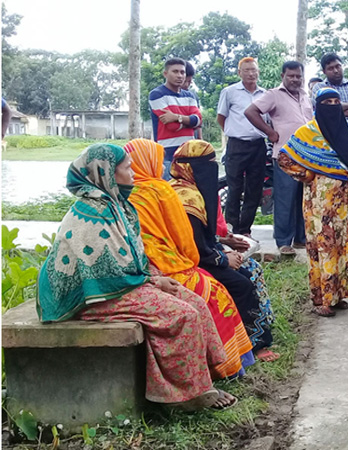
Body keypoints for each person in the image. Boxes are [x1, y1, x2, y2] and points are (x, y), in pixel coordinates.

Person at [37, 143, 232, 411]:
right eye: (126, 169)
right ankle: (184, 397)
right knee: (181, 314)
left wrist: (155, 278)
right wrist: (152, 282)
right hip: (92, 298)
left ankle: (202, 377)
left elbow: (133, 259)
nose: (132, 174)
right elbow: (101, 275)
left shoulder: (117, 206)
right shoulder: (89, 214)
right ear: (106, 173)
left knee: (194, 301)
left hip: (120, 286)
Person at [125, 138, 255, 380]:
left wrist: (220, 249)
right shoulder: (162, 192)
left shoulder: (135, 193)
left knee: (233, 280)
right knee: (214, 292)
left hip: (155, 263)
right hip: (165, 264)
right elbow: (185, 242)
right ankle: (222, 364)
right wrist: (219, 259)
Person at [169, 140, 279, 362]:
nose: (212, 168)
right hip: (187, 261)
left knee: (248, 270)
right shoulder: (185, 198)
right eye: (207, 163)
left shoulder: (190, 190)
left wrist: (223, 247)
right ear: (191, 167)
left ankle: (256, 335)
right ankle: (254, 344)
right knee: (241, 285)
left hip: (201, 255)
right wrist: (223, 259)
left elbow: (204, 237)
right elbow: (195, 246)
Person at [279, 87, 348, 317]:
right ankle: (323, 299)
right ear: (317, 106)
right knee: (324, 245)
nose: (333, 105)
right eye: (328, 102)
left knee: (344, 244)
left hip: (345, 202)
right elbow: (284, 159)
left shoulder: (347, 129)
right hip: (319, 205)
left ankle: (339, 294)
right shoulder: (307, 132)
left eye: (337, 101)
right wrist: (308, 175)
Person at [244, 61, 313, 256]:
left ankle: (301, 238)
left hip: (307, 156)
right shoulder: (274, 95)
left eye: (298, 76)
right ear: (283, 76)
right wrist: (270, 132)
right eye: (291, 75)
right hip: (286, 156)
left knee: (303, 199)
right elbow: (250, 111)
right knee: (285, 199)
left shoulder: (306, 97)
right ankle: (284, 241)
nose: (295, 79)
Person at [216, 57, 267, 237]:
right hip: (237, 145)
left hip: (258, 145)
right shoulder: (229, 92)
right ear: (239, 73)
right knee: (234, 187)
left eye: (253, 69)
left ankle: (245, 229)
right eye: (246, 70)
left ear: (258, 72)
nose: (251, 73)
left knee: (254, 189)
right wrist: (234, 132)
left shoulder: (265, 94)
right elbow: (221, 117)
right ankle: (231, 227)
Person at [148, 57, 202, 180]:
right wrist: (189, 121)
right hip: (167, 156)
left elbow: (199, 120)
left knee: (189, 195)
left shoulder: (190, 95)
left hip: (189, 154)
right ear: (165, 74)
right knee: (171, 195)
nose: (180, 75)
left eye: (182, 72)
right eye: (175, 72)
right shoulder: (157, 94)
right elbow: (173, 126)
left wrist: (177, 117)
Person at [312, 53, 348, 135]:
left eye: (338, 66)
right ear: (324, 71)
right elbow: (322, 110)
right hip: (326, 142)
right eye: (330, 68)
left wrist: (332, 111)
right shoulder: (319, 88)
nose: (336, 71)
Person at [182, 62, 202, 139]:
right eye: (184, 82)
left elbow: (199, 121)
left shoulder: (193, 96)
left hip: (192, 138)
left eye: (189, 82)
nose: (186, 85)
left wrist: (200, 138)